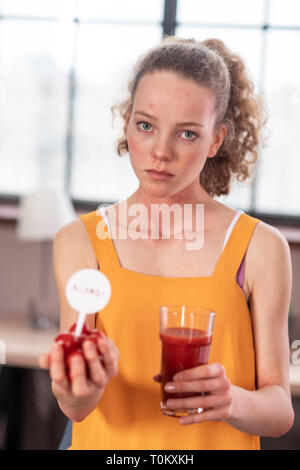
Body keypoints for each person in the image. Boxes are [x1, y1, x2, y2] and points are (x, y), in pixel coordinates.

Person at [39, 36, 294, 450]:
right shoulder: (79, 240)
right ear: (127, 125)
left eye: (187, 134)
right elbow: (76, 409)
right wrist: (79, 385)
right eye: (146, 126)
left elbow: (280, 410)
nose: (160, 151)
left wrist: (233, 400)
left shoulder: (260, 248)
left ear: (216, 140)